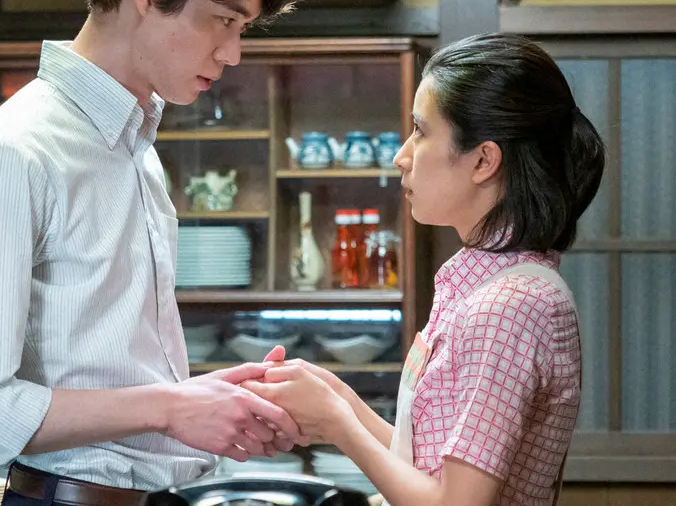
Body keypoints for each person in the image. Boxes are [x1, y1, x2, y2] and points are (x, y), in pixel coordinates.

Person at [0, 0, 306, 505]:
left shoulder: (135, 147)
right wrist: (170, 408)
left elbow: (109, 372)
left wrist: (198, 400)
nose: (233, 53)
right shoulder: (10, 154)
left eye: (242, 29)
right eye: (224, 20)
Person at [244, 33, 606, 506]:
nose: (402, 156)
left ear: (483, 160)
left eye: (420, 131)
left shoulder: (507, 307)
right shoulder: (491, 287)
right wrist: (340, 400)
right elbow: (428, 463)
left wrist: (337, 422)